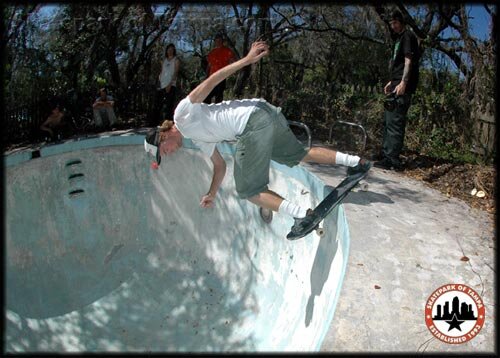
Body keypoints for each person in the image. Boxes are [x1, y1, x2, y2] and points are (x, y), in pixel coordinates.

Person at [144, 41, 372, 234]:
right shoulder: (198, 138)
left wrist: (246, 60)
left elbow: (210, 82)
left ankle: (302, 214)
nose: (169, 153)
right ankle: (355, 162)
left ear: (164, 135)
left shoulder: (181, 116)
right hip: (265, 113)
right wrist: (212, 193)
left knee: (249, 190)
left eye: (164, 150)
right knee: (299, 154)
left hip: (251, 124)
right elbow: (219, 166)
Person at [375, 9, 420, 170]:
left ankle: (392, 159)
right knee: (388, 120)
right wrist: (392, 81)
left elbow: (408, 62)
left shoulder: (407, 36)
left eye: (394, 23)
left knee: (395, 122)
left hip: (402, 86)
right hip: (395, 83)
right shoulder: (399, 39)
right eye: (390, 23)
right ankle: (386, 152)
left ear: (401, 22)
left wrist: (403, 83)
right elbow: (400, 64)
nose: (392, 26)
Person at [203, 33, 237, 104]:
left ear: (222, 41)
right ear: (214, 41)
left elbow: (233, 61)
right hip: (211, 77)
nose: (218, 42)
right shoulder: (212, 52)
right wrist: (206, 77)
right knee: (206, 97)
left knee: (218, 97)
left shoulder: (227, 51)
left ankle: (218, 113)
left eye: (220, 40)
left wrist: (232, 70)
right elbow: (209, 65)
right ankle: (207, 112)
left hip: (221, 76)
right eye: (216, 40)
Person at [157, 43, 180, 123]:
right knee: (160, 106)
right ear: (166, 51)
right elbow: (162, 71)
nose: (170, 51)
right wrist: (160, 79)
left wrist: (170, 84)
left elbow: (175, 73)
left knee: (169, 106)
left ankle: (169, 124)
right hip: (162, 85)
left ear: (174, 51)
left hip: (170, 85)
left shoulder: (176, 60)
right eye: (168, 50)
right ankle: (161, 123)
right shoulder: (164, 60)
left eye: (172, 50)